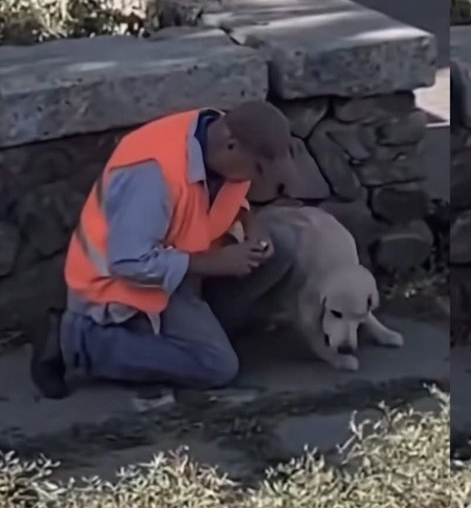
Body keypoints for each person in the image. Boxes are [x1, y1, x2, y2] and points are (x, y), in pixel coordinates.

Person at [30, 100, 305, 398]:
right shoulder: (151, 174)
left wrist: (251, 225)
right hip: (123, 286)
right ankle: (73, 339)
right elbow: (129, 262)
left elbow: (221, 199)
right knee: (216, 366)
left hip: (184, 269)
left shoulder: (225, 135)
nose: (253, 180)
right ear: (231, 147)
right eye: (255, 170)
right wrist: (217, 263)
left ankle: (197, 334)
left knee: (283, 246)